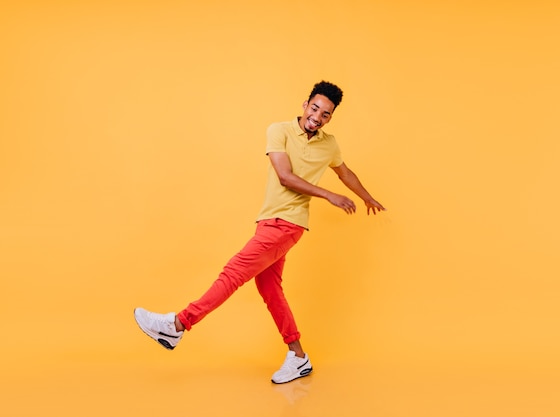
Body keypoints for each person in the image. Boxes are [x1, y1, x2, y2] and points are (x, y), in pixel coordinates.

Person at [134, 80, 386, 384]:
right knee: (269, 288)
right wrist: (328, 195)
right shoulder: (278, 130)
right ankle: (298, 356)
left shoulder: (329, 144)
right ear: (305, 105)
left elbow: (345, 172)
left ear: (330, 118)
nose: (318, 117)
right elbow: (284, 175)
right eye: (315, 108)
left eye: (326, 114)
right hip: (269, 221)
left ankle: (177, 325)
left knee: (233, 273)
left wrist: (366, 196)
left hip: (288, 223)